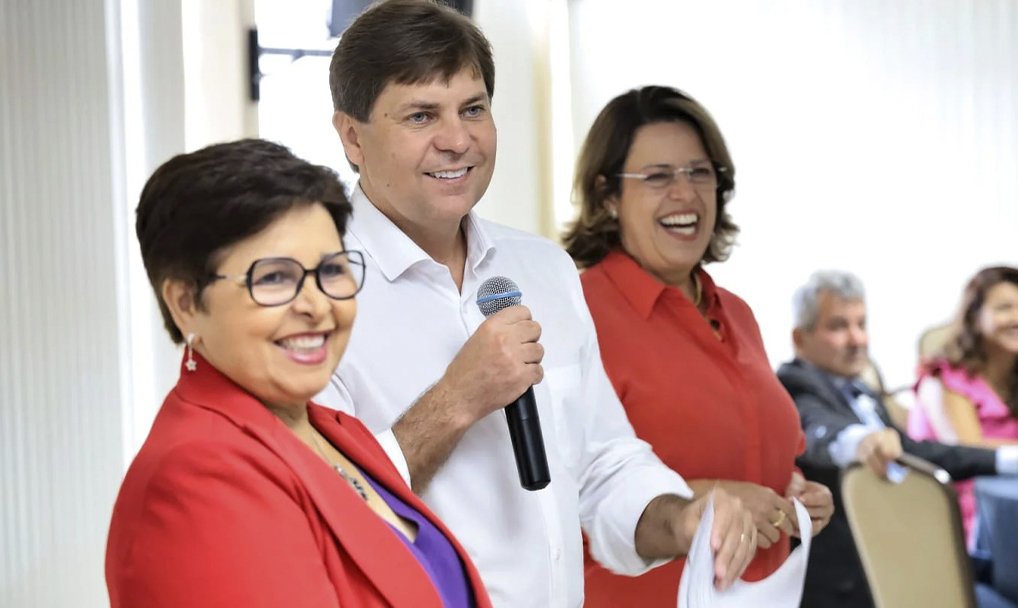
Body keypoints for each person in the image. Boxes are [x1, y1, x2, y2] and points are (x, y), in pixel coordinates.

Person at [319, 2, 757, 608]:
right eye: (422, 115)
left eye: (473, 109)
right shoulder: (315, 293)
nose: (457, 140)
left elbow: (603, 462)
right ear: (351, 136)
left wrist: (681, 517)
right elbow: (324, 506)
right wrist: (456, 401)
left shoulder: (542, 269)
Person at [105, 139, 494, 608]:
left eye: (331, 270)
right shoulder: (196, 476)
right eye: (273, 278)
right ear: (186, 303)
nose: (317, 305)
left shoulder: (334, 431)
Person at [560, 85, 833, 608]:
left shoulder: (736, 311)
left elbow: (749, 444)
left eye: (700, 173)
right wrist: (704, 497)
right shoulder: (576, 312)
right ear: (608, 195)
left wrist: (791, 491)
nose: (684, 194)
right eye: (658, 177)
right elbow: (562, 493)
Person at [776, 270, 1018, 608]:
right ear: (800, 339)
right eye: (838, 327)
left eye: (861, 324)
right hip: (853, 582)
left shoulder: (859, 390)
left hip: (906, 552)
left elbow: (919, 451)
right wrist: (860, 440)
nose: (857, 339)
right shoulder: (792, 385)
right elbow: (818, 429)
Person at [907, 265, 1018, 538]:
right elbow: (967, 450)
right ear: (975, 317)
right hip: (959, 507)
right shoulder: (942, 376)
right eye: (1004, 308)